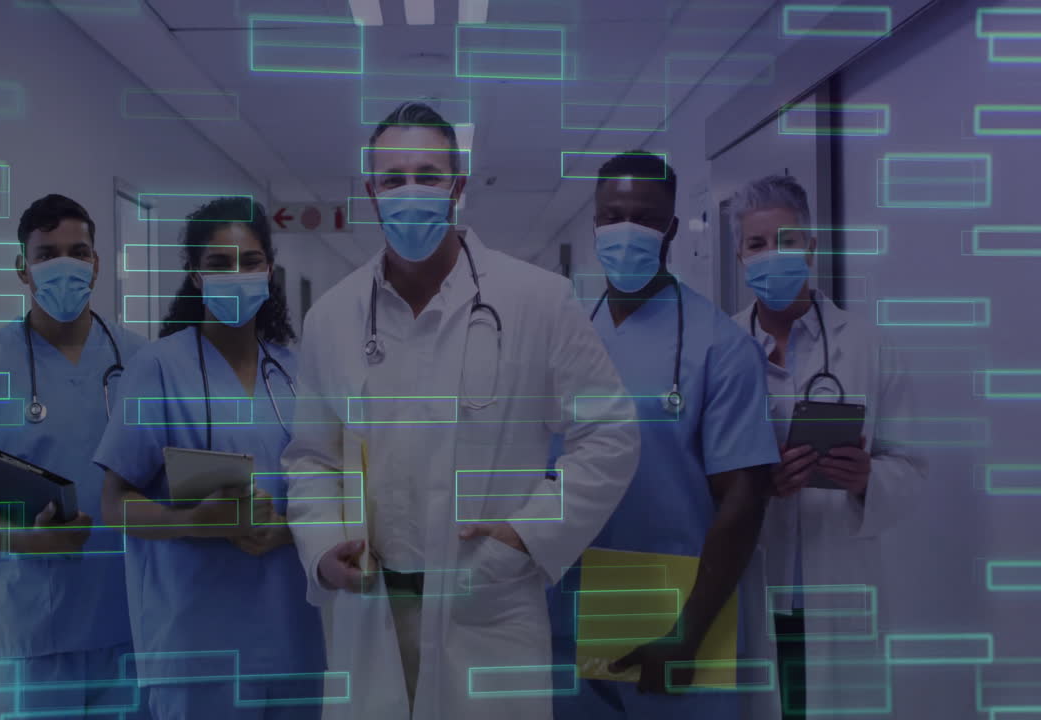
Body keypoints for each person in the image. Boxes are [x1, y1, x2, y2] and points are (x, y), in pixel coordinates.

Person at [280, 101, 642, 720]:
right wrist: (321, 545)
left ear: (458, 186)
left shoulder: (536, 301)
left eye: (428, 174)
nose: (410, 192)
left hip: (487, 599)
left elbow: (609, 435)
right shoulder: (331, 318)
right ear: (370, 191)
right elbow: (312, 455)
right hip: (373, 602)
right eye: (393, 179)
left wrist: (525, 535)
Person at [546, 153, 779, 719]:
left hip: (679, 609)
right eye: (612, 215)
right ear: (595, 225)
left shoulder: (720, 346)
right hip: (572, 607)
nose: (627, 231)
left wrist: (689, 632)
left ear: (672, 227)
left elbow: (745, 497)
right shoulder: (566, 336)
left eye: (646, 218)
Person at [92, 197, 325, 719]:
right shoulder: (157, 368)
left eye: (249, 261)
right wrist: (195, 520)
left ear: (269, 268)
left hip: (294, 643)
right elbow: (114, 504)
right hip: (196, 649)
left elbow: (330, 487)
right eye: (218, 264)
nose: (236, 275)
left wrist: (286, 528)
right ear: (195, 276)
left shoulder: (295, 371)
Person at [0, 194, 149, 718]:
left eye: (78, 250)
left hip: (133, 626)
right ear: (22, 269)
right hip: (37, 635)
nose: (64, 265)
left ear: (97, 263)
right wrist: (28, 537)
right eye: (47, 253)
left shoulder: (141, 363)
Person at [730, 175, 925, 718]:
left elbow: (911, 466)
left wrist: (867, 480)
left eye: (789, 241)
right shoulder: (721, 348)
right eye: (757, 244)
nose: (773, 256)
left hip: (839, 584)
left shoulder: (867, 344)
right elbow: (701, 475)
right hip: (752, 582)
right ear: (739, 254)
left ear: (812, 247)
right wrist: (756, 486)